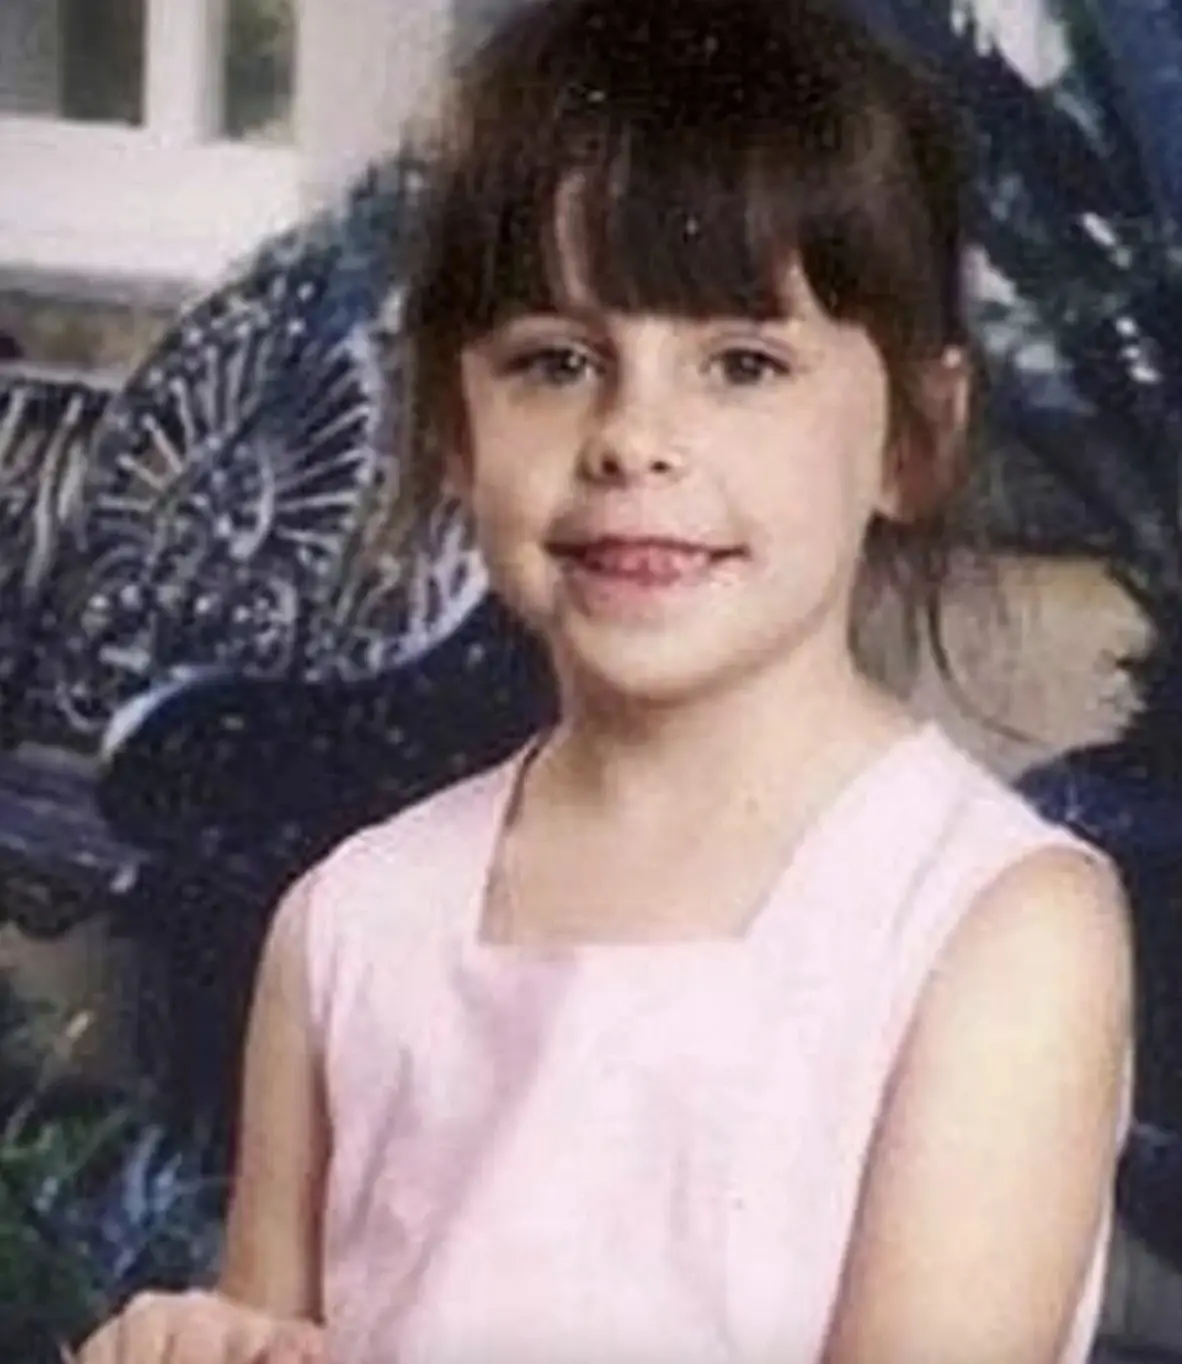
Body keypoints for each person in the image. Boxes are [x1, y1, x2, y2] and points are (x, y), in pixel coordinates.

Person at [77, 0, 1134, 1360]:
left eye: (742, 364)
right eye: (557, 362)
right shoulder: (349, 926)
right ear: (452, 428)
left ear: (914, 439)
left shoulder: (990, 928)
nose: (634, 437)